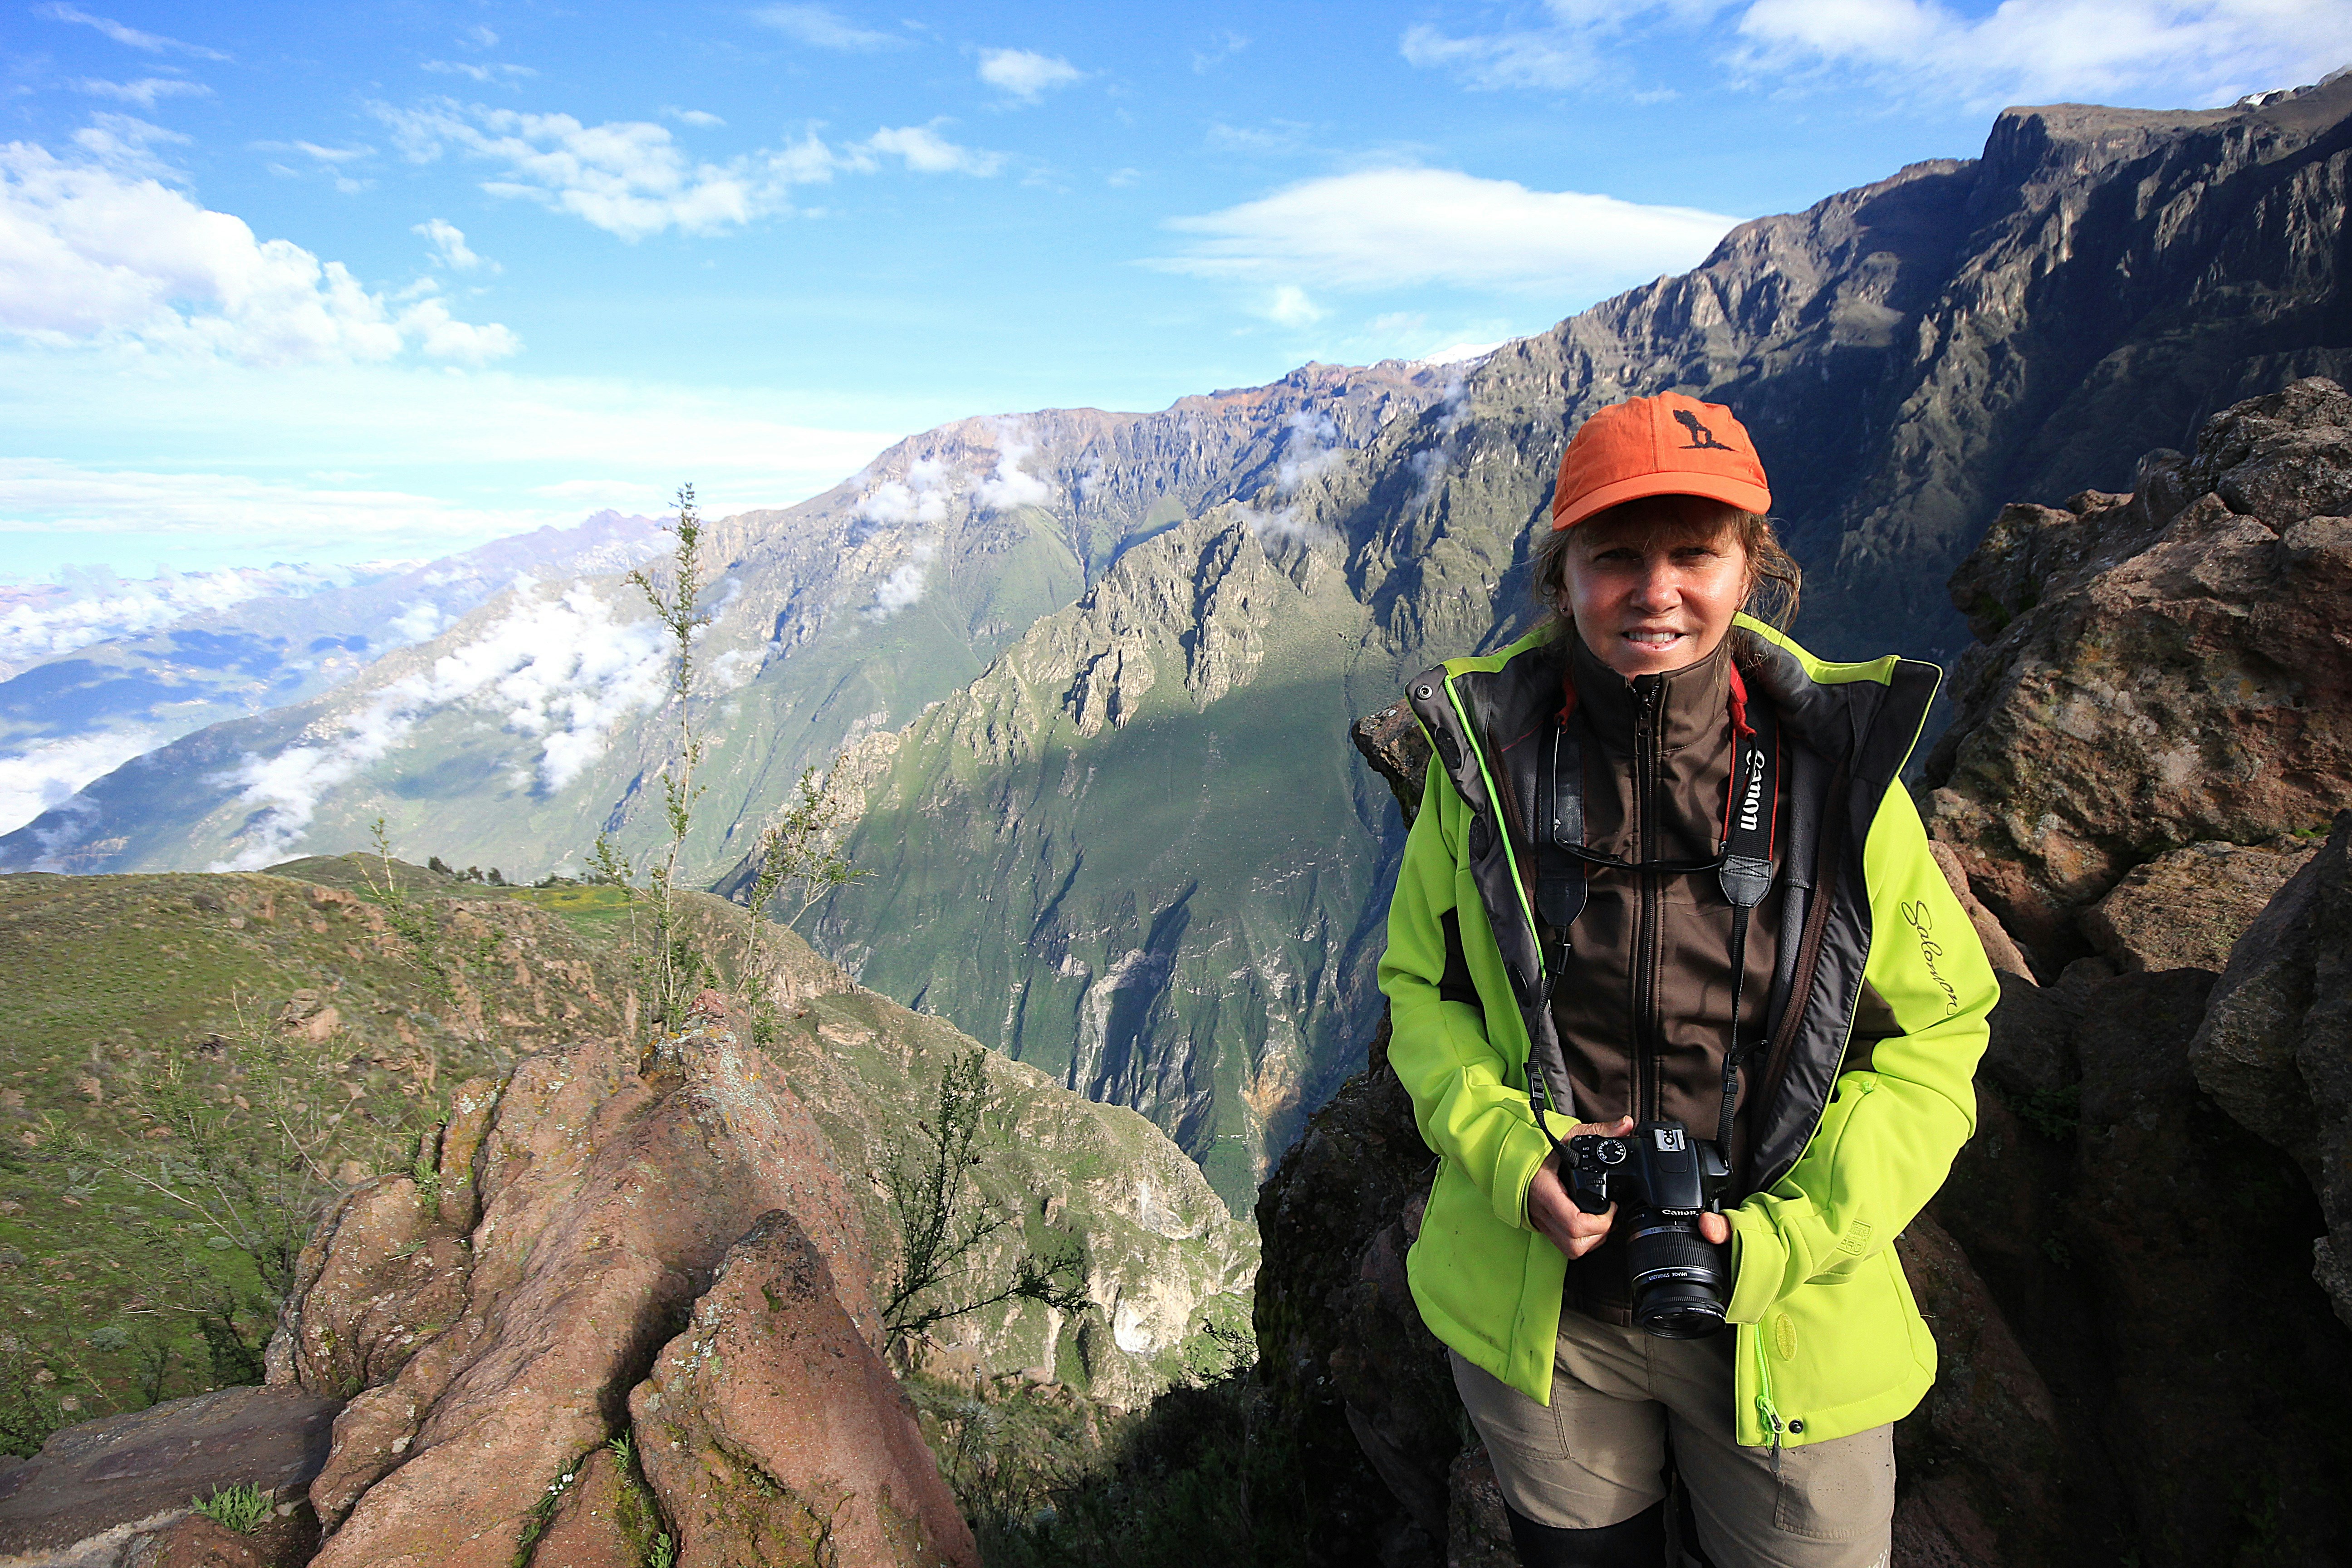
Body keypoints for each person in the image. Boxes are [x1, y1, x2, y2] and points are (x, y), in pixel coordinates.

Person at [1379, 392, 1997, 1568]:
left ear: (1750, 567)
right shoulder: (1489, 768)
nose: (1655, 590)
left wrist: (1783, 1238)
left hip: (1785, 1319)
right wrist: (1520, 1159)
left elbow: (1942, 1031)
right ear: (1563, 572)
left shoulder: (1836, 777)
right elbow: (1423, 990)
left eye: (1694, 553)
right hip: (1550, 1317)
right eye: (1616, 556)